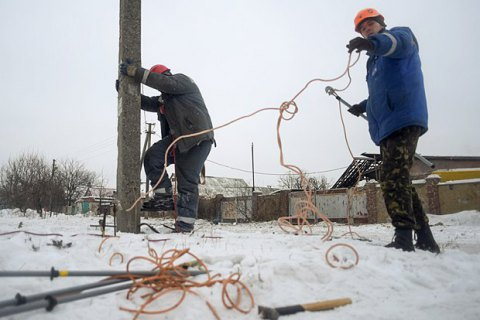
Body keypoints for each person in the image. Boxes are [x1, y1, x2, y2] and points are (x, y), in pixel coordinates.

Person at [346, 8, 440, 253]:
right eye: (362, 28)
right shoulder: (373, 61)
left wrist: (372, 44)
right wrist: (362, 106)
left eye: (370, 24)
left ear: (380, 23)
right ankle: (426, 238)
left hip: (404, 117)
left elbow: (395, 43)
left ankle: (403, 237)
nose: (366, 29)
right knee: (400, 180)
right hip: (386, 125)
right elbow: (380, 93)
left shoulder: (399, 38)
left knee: (390, 178)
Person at [119, 62, 214, 233]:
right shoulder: (166, 98)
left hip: (196, 138)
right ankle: (163, 196)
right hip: (178, 141)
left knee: (186, 181)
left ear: (166, 75)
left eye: (159, 79)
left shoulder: (182, 81)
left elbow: (165, 83)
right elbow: (147, 102)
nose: (160, 88)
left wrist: (135, 72)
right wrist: (124, 91)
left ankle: (185, 225)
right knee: (153, 157)